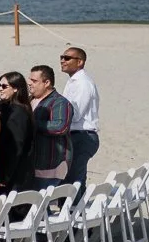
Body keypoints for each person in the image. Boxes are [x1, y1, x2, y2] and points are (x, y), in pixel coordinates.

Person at [0, 71, 36, 197]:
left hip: (13, 177)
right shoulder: (5, 108)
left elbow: (15, 147)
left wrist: (4, 176)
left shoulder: (18, 113)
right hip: (4, 170)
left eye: (4, 86)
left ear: (16, 88)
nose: (0, 88)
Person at [60, 47, 100, 185]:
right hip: (75, 135)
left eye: (67, 58)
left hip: (82, 135)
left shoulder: (83, 82)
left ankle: (75, 206)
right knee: (73, 177)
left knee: (73, 179)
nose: (62, 61)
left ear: (80, 62)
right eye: (62, 57)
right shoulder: (73, 81)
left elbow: (75, 114)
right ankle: (74, 204)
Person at [28, 64, 72, 187]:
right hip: (32, 164)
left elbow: (60, 127)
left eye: (34, 81)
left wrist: (31, 123)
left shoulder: (60, 102)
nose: (30, 83)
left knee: (41, 203)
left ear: (47, 82)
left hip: (51, 164)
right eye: (30, 80)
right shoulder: (30, 99)